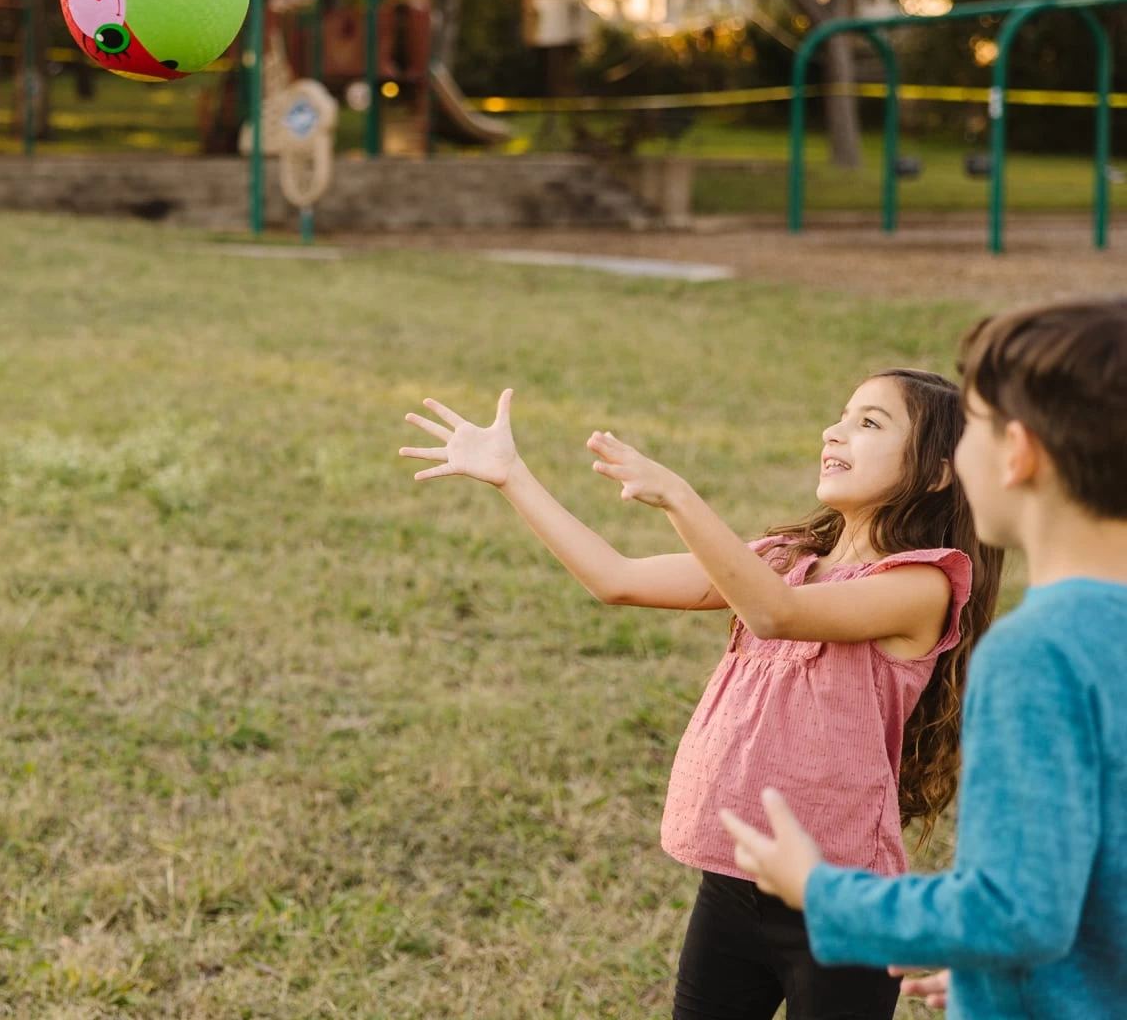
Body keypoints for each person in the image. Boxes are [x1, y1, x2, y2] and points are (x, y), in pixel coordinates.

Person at [401, 367, 1002, 1019]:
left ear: (940, 472)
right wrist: (511, 477)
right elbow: (616, 578)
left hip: (841, 902)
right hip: (734, 882)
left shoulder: (921, 585)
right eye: (841, 414)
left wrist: (679, 498)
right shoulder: (780, 560)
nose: (835, 431)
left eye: (869, 423)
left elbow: (778, 614)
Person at [721, 298, 1127, 1019]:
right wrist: (1006, 967)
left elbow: (1018, 911)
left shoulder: (1038, 654)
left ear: (1018, 453)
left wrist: (820, 890)